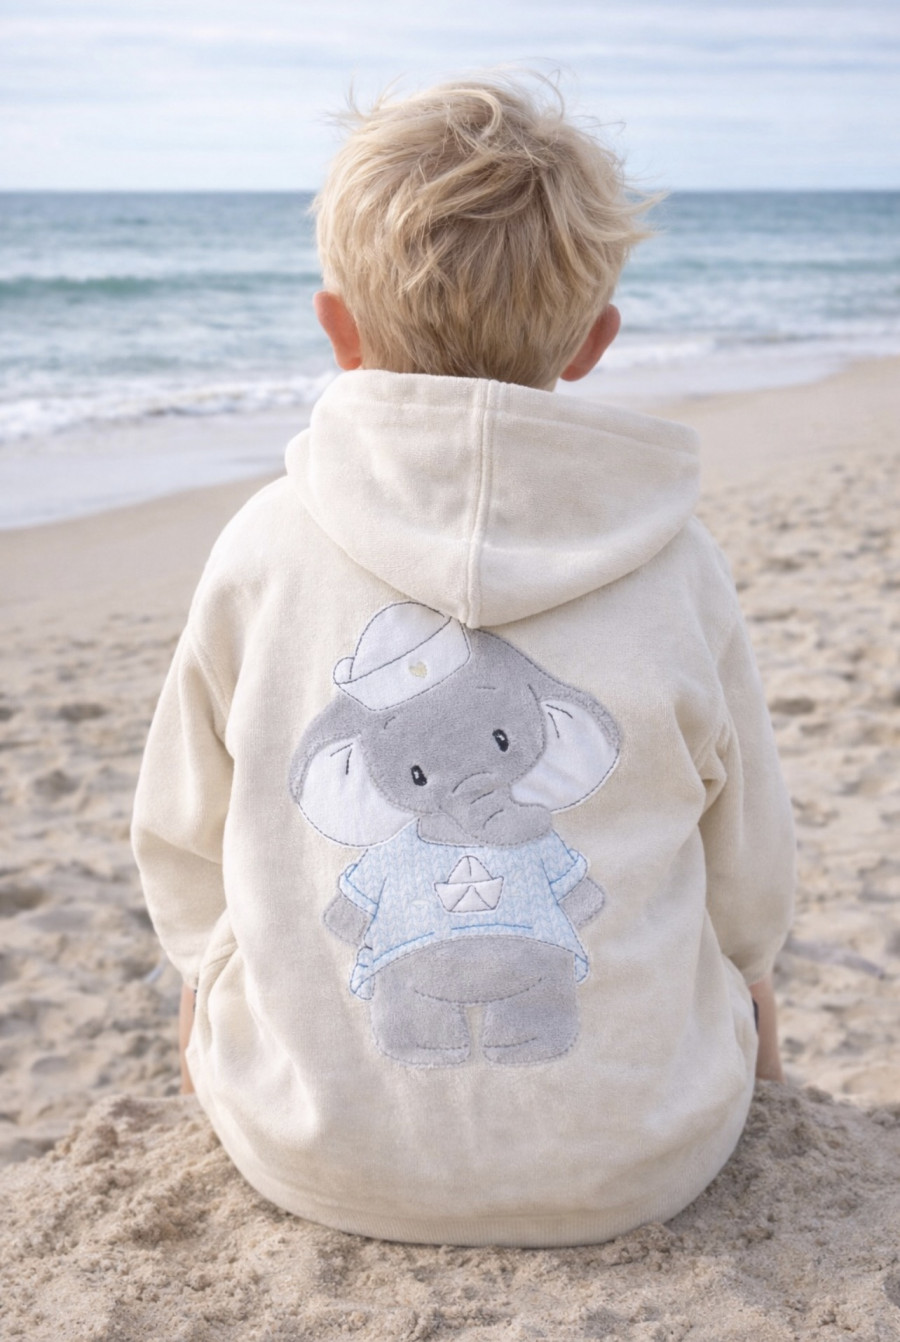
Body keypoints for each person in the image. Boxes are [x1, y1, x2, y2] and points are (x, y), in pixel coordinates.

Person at [133, 73, 794, 1247]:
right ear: (594, 341)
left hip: (312, 1149)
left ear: (339, 330)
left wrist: (205, 971)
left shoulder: (263, 547)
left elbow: (182, 830)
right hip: (635, 1159)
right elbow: (746, 856)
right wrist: (751, 976)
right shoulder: (677, 562)